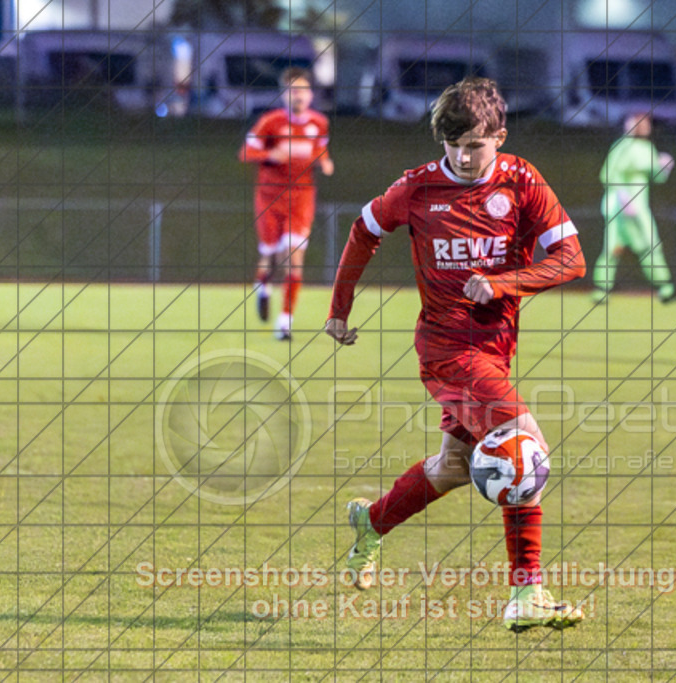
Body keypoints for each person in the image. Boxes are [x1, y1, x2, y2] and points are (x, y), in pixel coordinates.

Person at [325, 77, 587, 632]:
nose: (464, 158)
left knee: (452, 468)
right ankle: (527, 595)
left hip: (494, 351)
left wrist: (504, 283)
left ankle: (369, 523)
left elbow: (571, 260)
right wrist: (339, 310)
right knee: (523, 449)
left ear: (500, 135)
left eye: (475, 146)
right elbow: (363, 231)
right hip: (447, 351)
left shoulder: (522, 181)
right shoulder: (417, 188)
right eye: (453, 146)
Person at [239, 66, 334, 340]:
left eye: (303, 90)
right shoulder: (270, 122)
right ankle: (262, 287)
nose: (299, 96)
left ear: (311, 94)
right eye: (293, 91)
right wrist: (272, 154)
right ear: (284, 95)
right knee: (270, 253)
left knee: (293, 258)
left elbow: (319, 149)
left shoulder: (320, 123)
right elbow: (247, 151)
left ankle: (284, 323)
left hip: (302, 199)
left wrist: (324, 161)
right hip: (269, 197)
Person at [591, 111, 676, 303]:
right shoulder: (622, 147)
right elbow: (609, 176)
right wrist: (624, 199)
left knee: (651, 245)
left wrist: (665, 166)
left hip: (639, 207)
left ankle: (665, 287)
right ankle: (601, 290)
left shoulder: (648, 148)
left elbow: (657, 177)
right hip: (619, 206)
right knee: (612, 247)